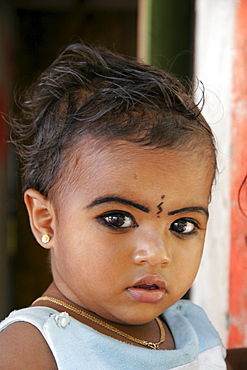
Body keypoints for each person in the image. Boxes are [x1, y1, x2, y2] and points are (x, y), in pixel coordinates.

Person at [0, 41, 232, 369]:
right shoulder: (32, 348)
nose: (157, 253)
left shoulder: (188, 326)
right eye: (118, 219)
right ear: (46, 221)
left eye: (182, 225)